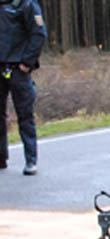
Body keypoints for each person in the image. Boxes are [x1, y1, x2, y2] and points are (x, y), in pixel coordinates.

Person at [0, 0, 47, 176]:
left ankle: (30, 160)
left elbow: (38, 34)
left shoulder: (26, 5)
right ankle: (1, 157)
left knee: (25, 115)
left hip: (18, 68)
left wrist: (26, 63)